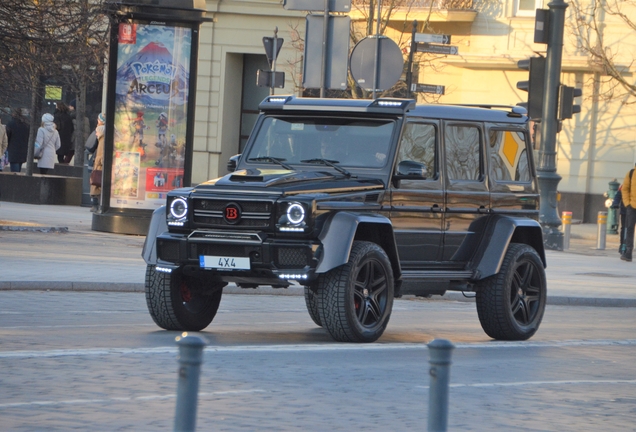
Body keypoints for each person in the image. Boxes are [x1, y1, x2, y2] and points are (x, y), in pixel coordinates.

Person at [89, 113, 106, 213]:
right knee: (97, 184)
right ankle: (96, 204)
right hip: (99, 162)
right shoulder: (103, 135)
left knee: (96, 183)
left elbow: (101, 152)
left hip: (99, 163)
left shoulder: (102, 135)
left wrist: (100, 161)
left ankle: (95, 205)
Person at [5, 108, 30, 173]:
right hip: (23, 150)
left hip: (13, 150)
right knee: (18, 169)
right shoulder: (26, 125)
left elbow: (6, 137)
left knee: (14, 172)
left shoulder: (11, 124)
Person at [620, 163, 636, 262]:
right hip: (632, 206)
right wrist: (627, 203)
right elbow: (624, 189)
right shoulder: (631, 173)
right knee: (629, 229)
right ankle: (628, 252)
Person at [611, 185, 627, 254]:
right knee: (624, 229)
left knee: (629, 229)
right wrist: (615, 203)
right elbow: (618, 195)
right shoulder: (625, 185)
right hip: (626, 210)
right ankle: (623, 245)